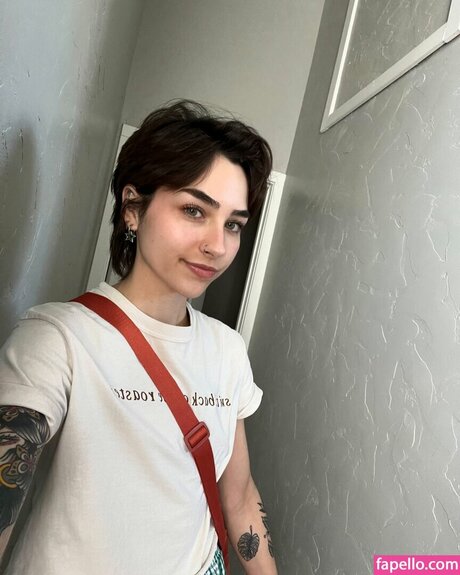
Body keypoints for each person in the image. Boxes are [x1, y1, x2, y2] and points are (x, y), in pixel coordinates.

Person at [0, 100, 278, 574]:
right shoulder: (58, 339)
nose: (217, 245)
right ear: (133, 207)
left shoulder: (227, 350)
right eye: (194, 210)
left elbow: (238, 495)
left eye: (233, 224)